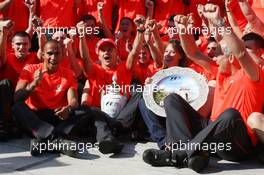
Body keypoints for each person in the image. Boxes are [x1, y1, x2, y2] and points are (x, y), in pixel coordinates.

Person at [142, 4, 264, 173]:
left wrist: (220, 22)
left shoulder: (255, 75)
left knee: (230, 114)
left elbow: (242, 54)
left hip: (235, 142)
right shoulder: (221, 72)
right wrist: (183, 30)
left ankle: (177, 154)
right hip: (211, 134)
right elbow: (194, 53)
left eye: (249, 48)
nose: (214, 55)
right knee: (172, 98)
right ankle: (194, 154)